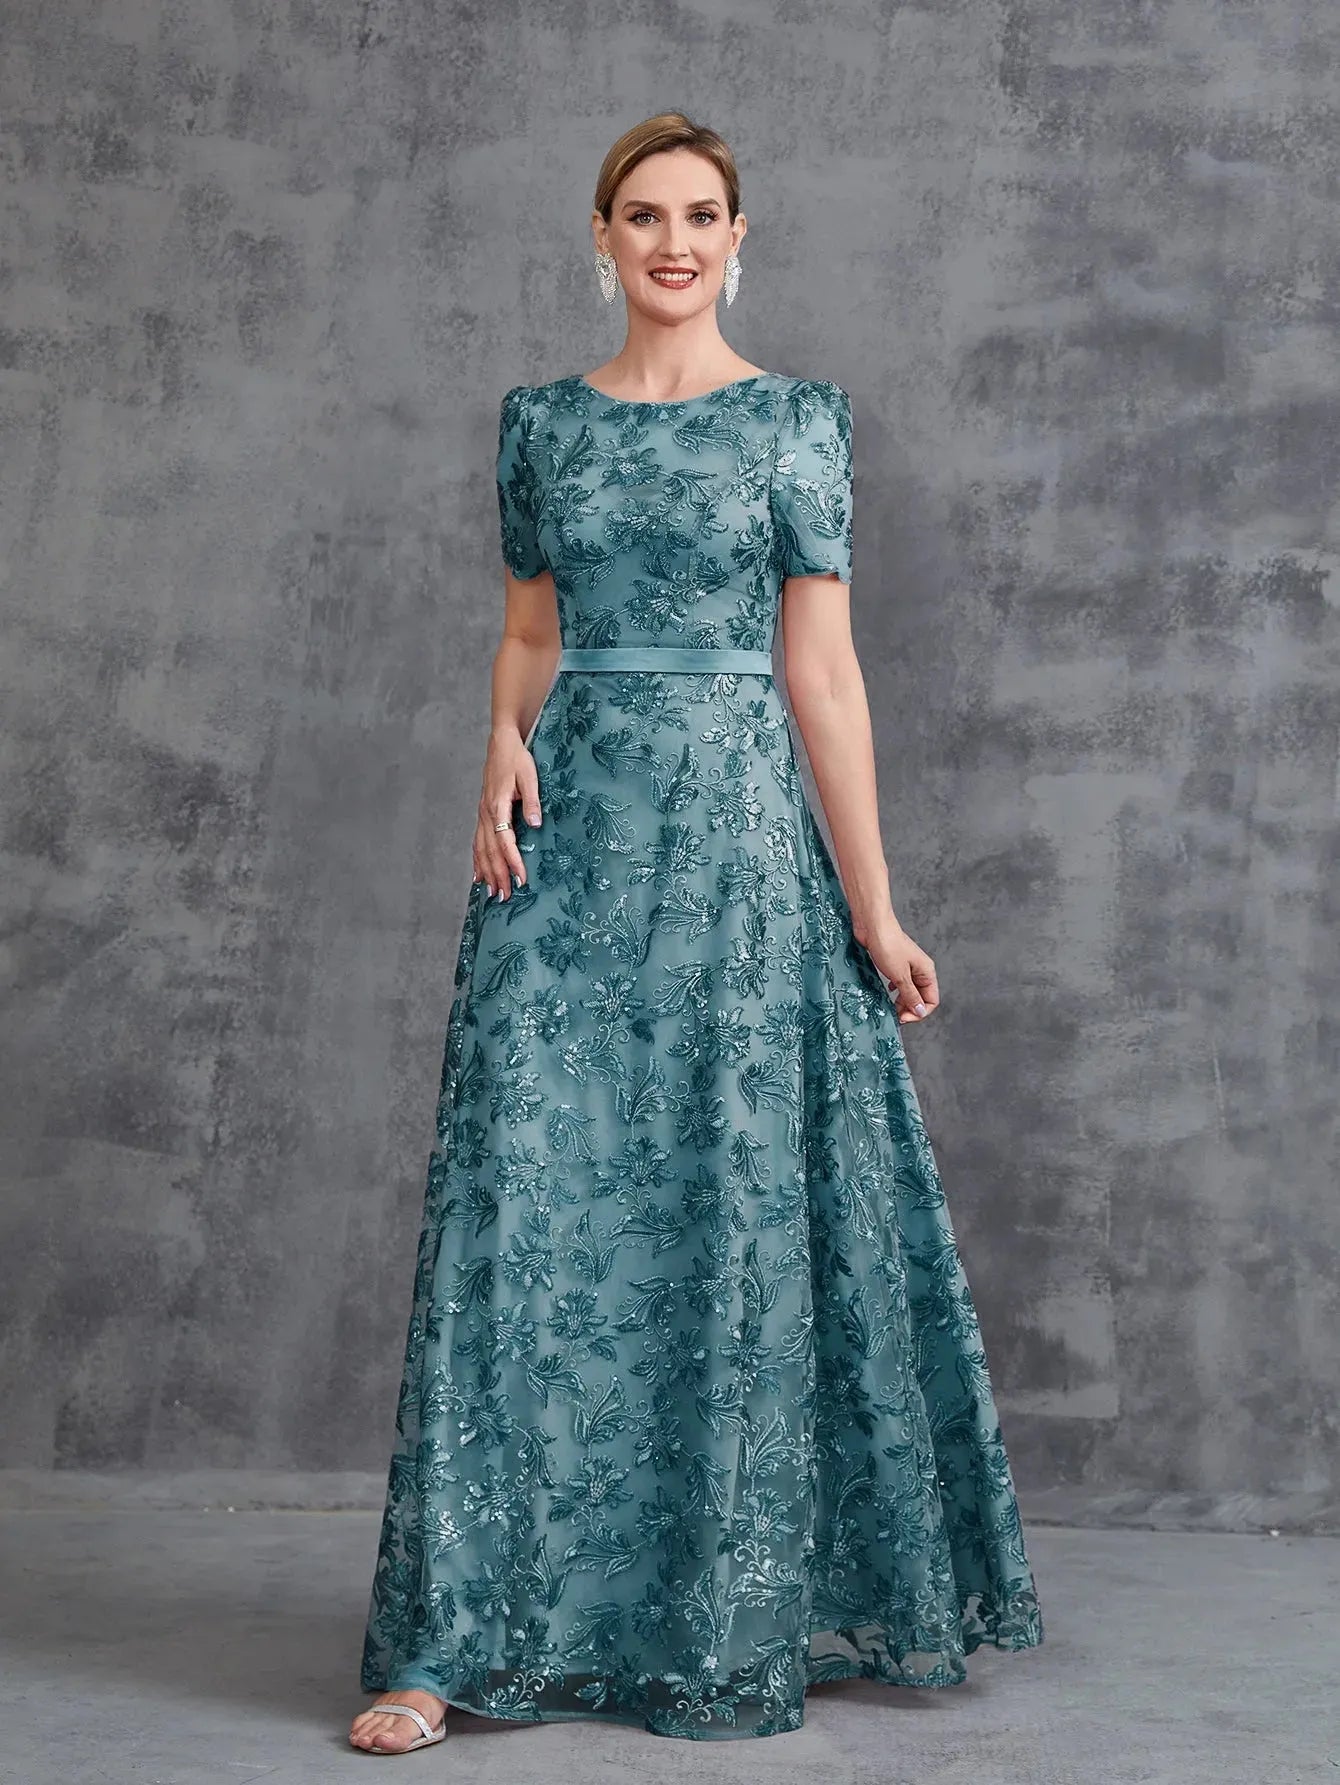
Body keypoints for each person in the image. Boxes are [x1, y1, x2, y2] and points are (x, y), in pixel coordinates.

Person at [350, 110, 1043, 1752]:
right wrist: (499, 738)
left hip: (734, 851)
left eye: (703, 215)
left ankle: (712, 1617)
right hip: (562, 850)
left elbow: (824, 677)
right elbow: (531, 631)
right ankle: (446, 1644)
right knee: (522, 1213)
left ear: (741, 239)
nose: (675, 240)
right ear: (601, 238)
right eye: (646, 215)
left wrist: (873, 902)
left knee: (720, 1207)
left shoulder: (799, 422)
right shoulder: (540, 424)